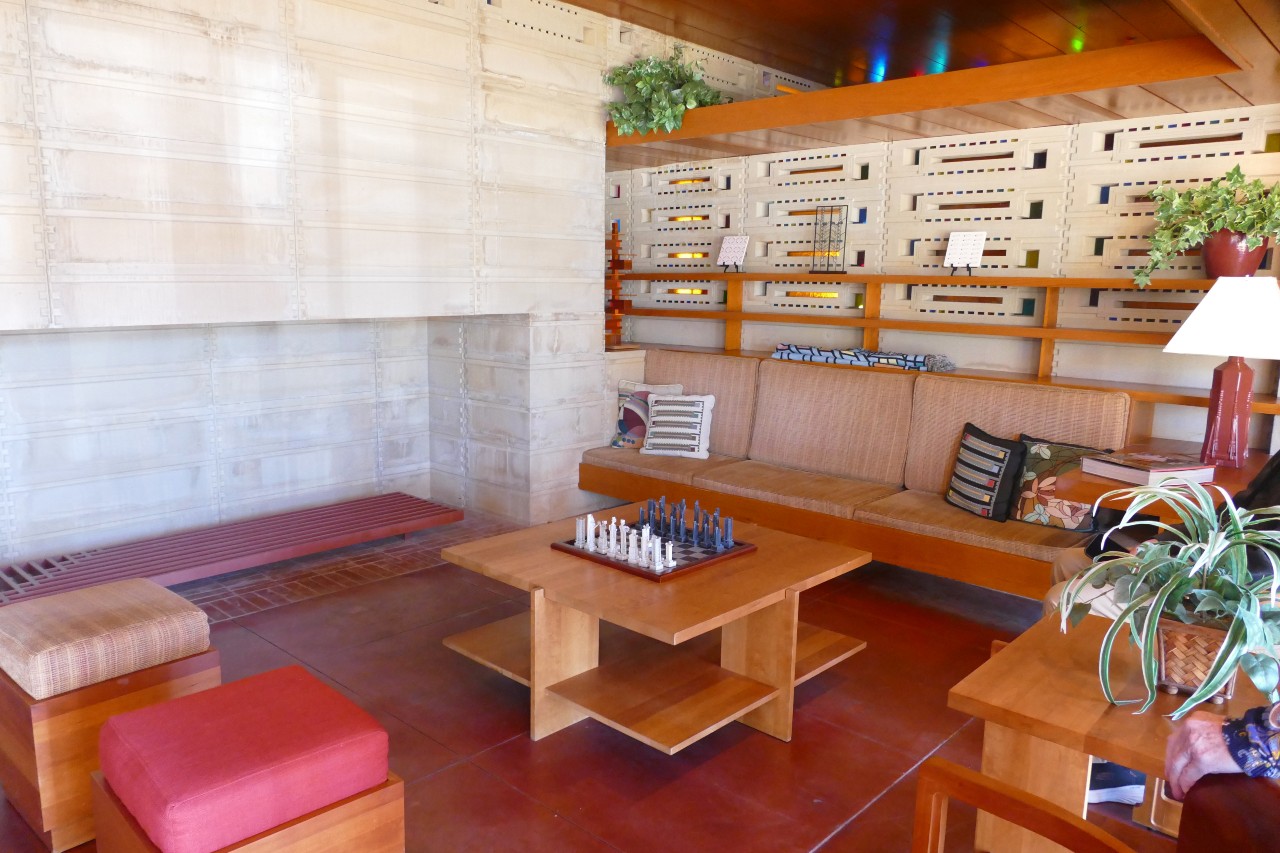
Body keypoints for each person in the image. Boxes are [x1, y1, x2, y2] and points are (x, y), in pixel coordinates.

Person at [1042, 451, 1280, 803]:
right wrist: (1161, 544)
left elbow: (1264, 558)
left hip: (1244, 586)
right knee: (1069, 561)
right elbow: (1233, 514)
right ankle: (1071, 716)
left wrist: (1176, 564)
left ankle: (1119, 761)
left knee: (1063, 599)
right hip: (1216, 560)